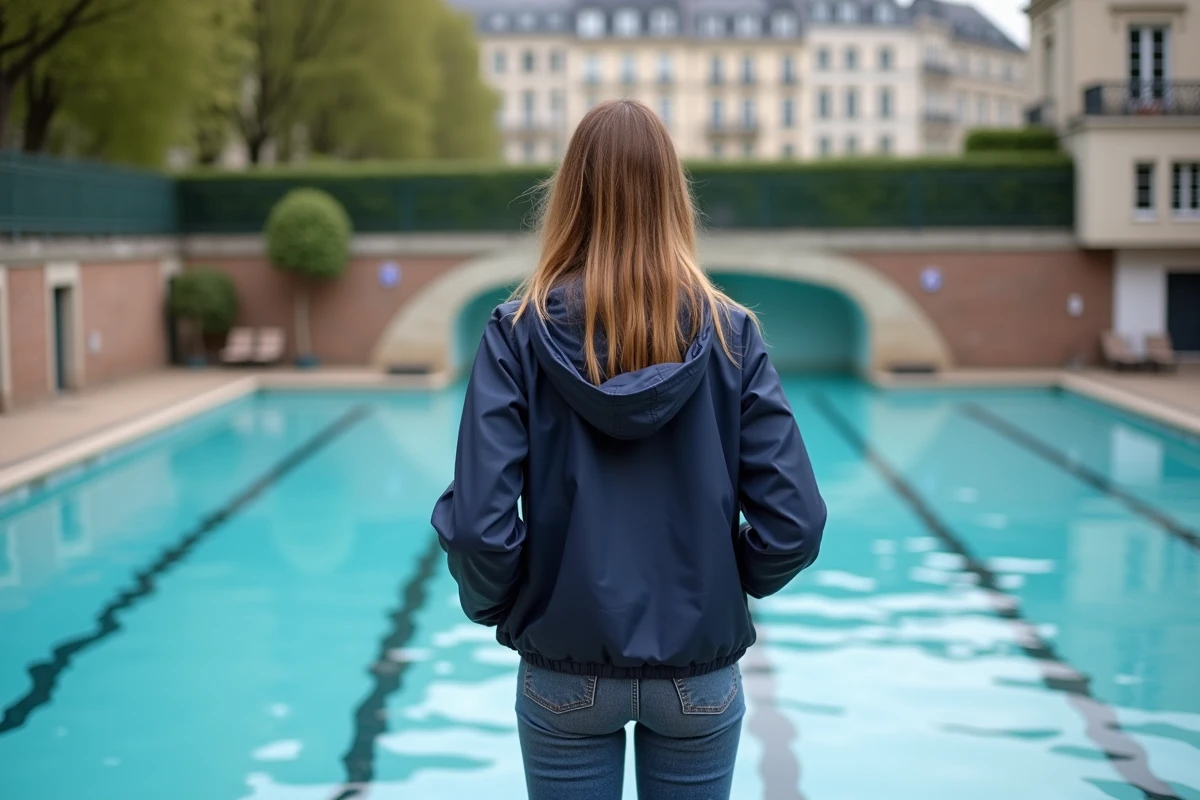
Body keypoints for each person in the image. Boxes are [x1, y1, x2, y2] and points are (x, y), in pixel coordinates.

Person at [431, 99, 826, 800]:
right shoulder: (733, 334)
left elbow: (476, 529)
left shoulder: (514, 332)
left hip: (563, 668)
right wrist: (721, 582)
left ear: (569, 197)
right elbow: (794, 522)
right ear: (673, 198)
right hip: (696, 677)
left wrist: (510, 603)